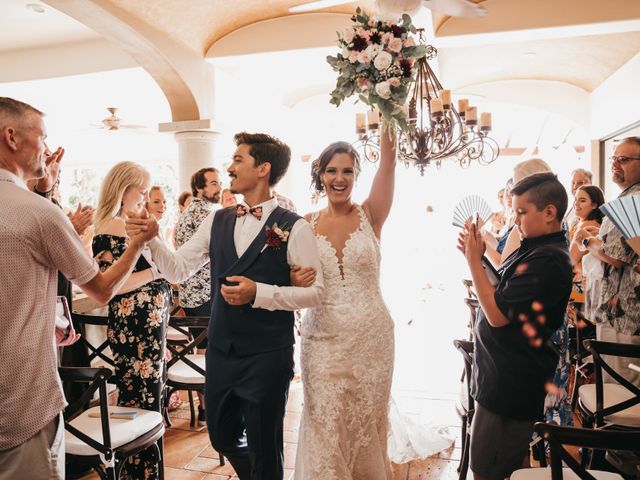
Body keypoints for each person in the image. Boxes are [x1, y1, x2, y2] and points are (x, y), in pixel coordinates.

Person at [126, 132, 324, 480]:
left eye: (238, 160)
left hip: (267, 353)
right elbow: (177, 268)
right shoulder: (217, 220)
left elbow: (315, 294)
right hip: (220, 350)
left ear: (263, 168)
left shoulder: (295, 227)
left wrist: (259, 293)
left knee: (266, 446)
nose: (229, 167)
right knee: (221, 435)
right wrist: (151, 238)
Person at [0, 97, 157, 480]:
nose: (50, 149)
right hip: (20, 394)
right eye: (43, 137)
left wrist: (43, 189)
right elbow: (101, 289)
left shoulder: (35, 206)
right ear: (11, 137)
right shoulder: (38, 213)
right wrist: (138, 243)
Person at [292, 122, 396, 479]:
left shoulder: (372, 215)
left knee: (366, 422)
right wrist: (293, 278)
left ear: (356, 175)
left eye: (347, 171)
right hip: (321, 342)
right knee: (324, 421)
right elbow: (291, 278)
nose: (340, 178)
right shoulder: (304, 224)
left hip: (372, 341)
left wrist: (388, 105)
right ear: (320, 175)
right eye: (332, 170)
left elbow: (389, 162)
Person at [458, 172, 572, 480]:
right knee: (510, 466)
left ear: (549, 212)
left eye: (521, 212)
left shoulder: (548, 260)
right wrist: (480, 259)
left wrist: (472, 263)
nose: (515, 219)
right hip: (502, 373)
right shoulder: (536, 247)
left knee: (485, 470)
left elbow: (497, 314)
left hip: (510, 382)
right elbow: (504, 290)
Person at [92, 161, 173, 480]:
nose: (144, 197)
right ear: (122, 190)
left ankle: (147, 470)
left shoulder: (129, 223)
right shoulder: (111, 227)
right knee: (139, 397)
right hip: (134, 328)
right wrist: (156, 272)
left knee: (150, 396)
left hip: (148, 327)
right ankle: (138, 472)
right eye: (141, 191)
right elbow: (112, 285)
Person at [575, 136, 640, 386]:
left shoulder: (630, 201)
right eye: (614, 158)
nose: (616, 164)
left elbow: (615, 257)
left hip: (624, 315)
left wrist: (585, 241)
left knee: (621, 389)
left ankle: (614, 426)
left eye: (624, 159)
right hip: (623, 312)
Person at [175, 166, 222, 426]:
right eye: (213, 184)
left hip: (190, 294)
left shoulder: (187, 212)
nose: (219, 187)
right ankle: (211, 411)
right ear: (199, 189)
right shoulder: (206, 213)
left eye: (219, 182)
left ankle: (205, 410)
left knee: (201, 350)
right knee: (210, 352)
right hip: (204, 292)